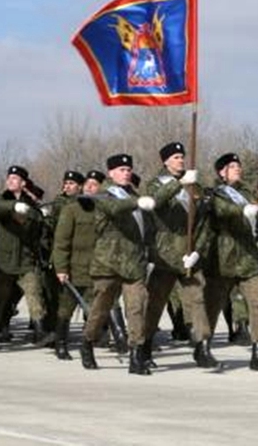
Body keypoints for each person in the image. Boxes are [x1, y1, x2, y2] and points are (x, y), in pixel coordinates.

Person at [81, 153, 181, 375]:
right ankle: (87, 342)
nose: (126, 173)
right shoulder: (104, 195)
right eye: (121, 170)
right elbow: (116, 209)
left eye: (128, 170)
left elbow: (149, 230)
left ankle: (136, 355)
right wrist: (137, 202)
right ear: (111, 173)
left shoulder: (136, 196)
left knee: (137, 308)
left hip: (134, 264)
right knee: (100, 309)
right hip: (108, 264)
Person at [143, 142, 214, 369]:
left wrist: (197, 251)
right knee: (155, 303)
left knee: (197, 299)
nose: (180, 160)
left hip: (189, 253)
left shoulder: (194, 185)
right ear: (165, 161)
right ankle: (144, 346)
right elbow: (156, 201)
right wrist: (179, 183)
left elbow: (203, 220)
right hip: (165, 253)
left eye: (182, 156)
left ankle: (202, 348)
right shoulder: (156, 183)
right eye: (175, 157)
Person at [205, 153, 258, 373]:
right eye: (232, 166)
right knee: (213, 305)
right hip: (223, 258)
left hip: (248, 258)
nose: (238, 169)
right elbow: (221, 211)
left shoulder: (247, 192)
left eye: (239, 166)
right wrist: (242, 210)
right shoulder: (215, 193)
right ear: (222, 172)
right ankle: (203, 346)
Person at [0, 165, 52, 346]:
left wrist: (34, 212)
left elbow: (38, 224)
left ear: (23, 183)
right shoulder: (2, 199)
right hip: (3, 261)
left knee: (34, 294)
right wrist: (15, 206)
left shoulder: (30, 204)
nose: (10, 181)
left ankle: (40, 331)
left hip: (25, 260)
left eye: (15, 179)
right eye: (9, 178)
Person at [51, 170, 101, 360]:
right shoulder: (70, 210)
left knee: (93, 312)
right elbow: (61, 241)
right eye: (87, 184)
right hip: (73, 269)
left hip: (96, 270)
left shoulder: (103, 210)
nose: (89, 187)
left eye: (94, 185)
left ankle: (87, 346)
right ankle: (60, 344)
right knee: (65, 310)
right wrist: (61, 268)